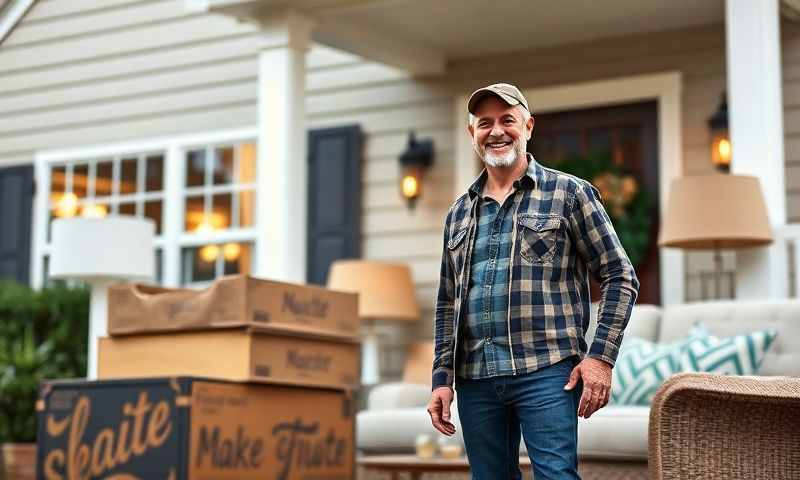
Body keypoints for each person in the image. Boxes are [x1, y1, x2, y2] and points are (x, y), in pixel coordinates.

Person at [427, 83, 640, 479]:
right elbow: (446, 301)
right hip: (475, 376)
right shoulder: (458, 213)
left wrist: (600, 358)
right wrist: (442, 378)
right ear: (471, 134)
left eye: (507, 120)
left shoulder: (570, 194)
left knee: (556, 475)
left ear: (528, 126)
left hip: (546, 371)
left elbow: (619, 275)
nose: (496, 131)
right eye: (484, 123)